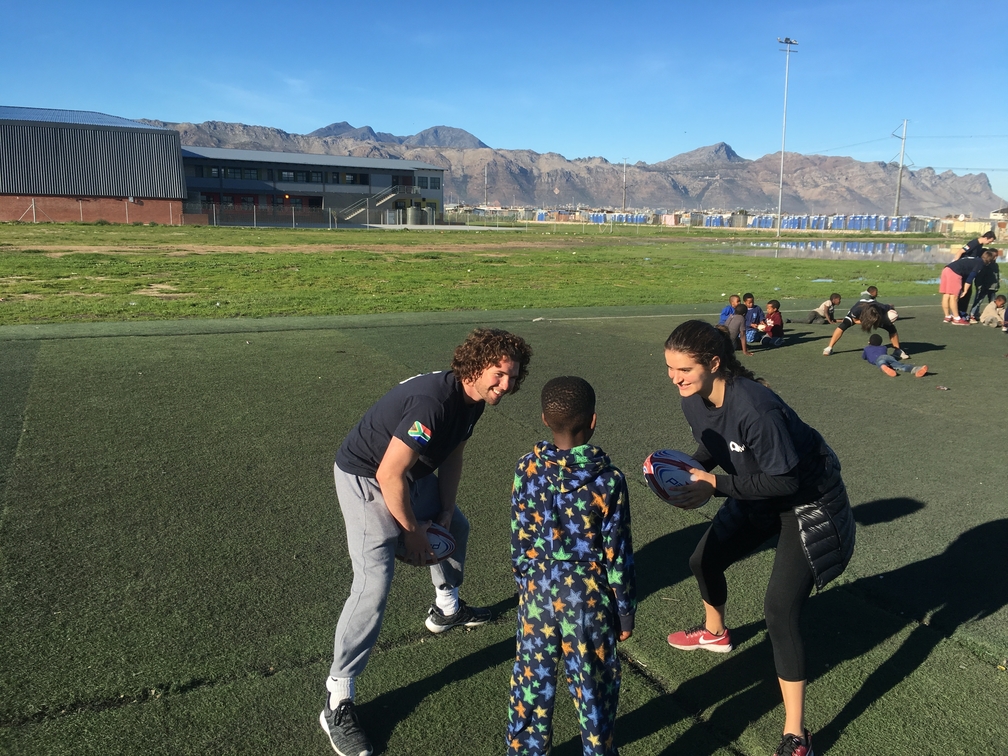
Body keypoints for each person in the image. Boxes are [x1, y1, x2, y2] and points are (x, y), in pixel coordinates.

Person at [321, 328, 533, 756]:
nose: (506, 386)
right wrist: (414, 535)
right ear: (474, 366)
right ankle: (337, 697)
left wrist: (445, 510)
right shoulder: (432, 402)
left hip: (407, 476)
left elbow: (452, 452)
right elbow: (387, 474)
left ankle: (446, 609)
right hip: (367, 478)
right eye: (499, 374)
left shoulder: (473, 399)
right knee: (372, 586)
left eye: (513, 377)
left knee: (456, 528)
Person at [660, 320, 855, 756]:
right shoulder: (693, 398)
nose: (675, 378)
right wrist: (682, 469)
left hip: (806, 501)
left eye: (683, 369)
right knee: (702, 560)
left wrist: (714, 486)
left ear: (713, 363)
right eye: (669, 369)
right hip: (757, 489)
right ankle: (715, 633)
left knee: (779, 610)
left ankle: (795, 734)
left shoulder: (756, 407)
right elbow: (714, 442)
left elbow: (785, 482)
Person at [507, 376, 636, 756]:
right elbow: (618, 552)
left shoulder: (526, 469)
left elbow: (520, 538)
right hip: (589, 599)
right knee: (595, 689)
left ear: (545, 419)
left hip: (537, 594)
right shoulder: (609, 480)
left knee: (530, 687)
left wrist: (525, 588)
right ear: (593, 421)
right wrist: (624, 611)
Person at [822, 300, 907, 358]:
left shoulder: (882, 307)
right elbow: (855, 320)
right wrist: (865, 322)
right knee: (843, 325)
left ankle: (897, 350)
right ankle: (829, 347)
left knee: (891, 328)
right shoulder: (856, 310)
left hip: (875, 317)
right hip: (860, 318)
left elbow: (891, 307)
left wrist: (892, 315)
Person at [940, 250, 997, 325]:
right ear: (990, 260)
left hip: (946, 269)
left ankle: (947, 316)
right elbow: (971, 277)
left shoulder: (975, 259)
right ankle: (956, 318)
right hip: (955, 272)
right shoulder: (980, 263)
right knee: (953, 297)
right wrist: (965, 290)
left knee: (946, 294)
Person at [862, 333, 927, 378]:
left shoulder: (866, 348)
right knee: (900, 366)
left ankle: (884, 367)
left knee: (881, 362)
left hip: (879, 359)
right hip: (888, 357)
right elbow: (884, 353)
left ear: (869, 342)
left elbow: (864, 357)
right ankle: (916, 369)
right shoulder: (883, 347)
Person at [967, 256, 1000, 322]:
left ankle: (992, 314)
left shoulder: (995, 265)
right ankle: (972, 315)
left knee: (993, 302)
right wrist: (979, 286)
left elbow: (997, 276)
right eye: (994, 256)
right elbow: (980, 277)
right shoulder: (984, 265)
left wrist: (997, 286)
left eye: (996, 256)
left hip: (992, 287)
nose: (995, 258)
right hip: (983, 287)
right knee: (978, 301)